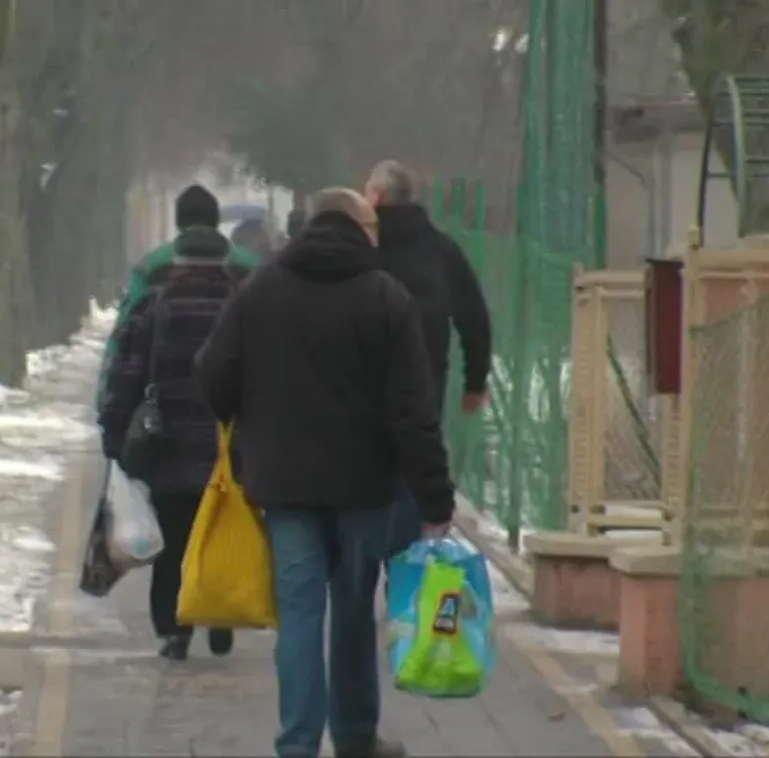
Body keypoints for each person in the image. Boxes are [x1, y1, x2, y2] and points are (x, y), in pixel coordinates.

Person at [196, 188, 455, 758]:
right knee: (354, 609)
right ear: (361, 228)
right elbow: (413, 410)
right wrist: (435, 497)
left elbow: (213, 372)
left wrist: (252, 422)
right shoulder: (385, 297)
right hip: (364, 488)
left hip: (284, 483)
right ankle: (356, 736)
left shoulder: (260, 290)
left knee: (299, 613)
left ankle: (296, 743)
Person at [97, 204, 250, 661]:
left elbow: (128, 370)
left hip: (168, 441)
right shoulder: (242, 306)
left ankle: (173, 628)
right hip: (227, 444)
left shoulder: (154, 305)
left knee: (174, 537)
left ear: (178, 258)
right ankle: (221, 613)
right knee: (220, 530)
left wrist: (113, 430)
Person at [364, 159, 492, 557]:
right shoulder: (442, 249)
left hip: (359, 382)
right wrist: (475, 380)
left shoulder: (360, 247)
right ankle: (403, 565)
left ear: (377, 197)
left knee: (364, 472)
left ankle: (365, 561)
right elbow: (474, 318)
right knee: (414, 467)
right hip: (424, 383)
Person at [97, 185, 258, 405]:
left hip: (168, 400)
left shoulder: (152, 267)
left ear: (178, 223)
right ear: (216, 221)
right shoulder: (249, 266)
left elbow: (126, 333)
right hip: (236, 403)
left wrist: (108, 398)